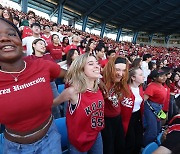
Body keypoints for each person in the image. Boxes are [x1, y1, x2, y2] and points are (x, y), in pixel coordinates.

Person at [0, 17, 66, 153]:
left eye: (11, 34)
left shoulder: (42, 65)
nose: (5, 38)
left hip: (51, 141)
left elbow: (71, 74)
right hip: (14, 148)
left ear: (20, 41)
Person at [53, 53, 104, 153]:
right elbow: (52, 104)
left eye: (97, 63)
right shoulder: (73, 92)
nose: (97, 66)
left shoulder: (97, 88)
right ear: (81, 69)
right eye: (90, 63)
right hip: (78, 139)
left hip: (96, 134)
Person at [101, 56, 129, 154]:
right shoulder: (101, 81)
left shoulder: (120, 81)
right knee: (108, 148)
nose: (120, 74)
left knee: (120, 145)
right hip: (105, 121)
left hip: (117, 118)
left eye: (124, 70)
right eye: (117, 70)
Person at [120, 67, 144, 154]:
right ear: (133, 78)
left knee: (138, 140)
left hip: (137, 117)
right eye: (141, 75)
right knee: (130, 142)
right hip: (127, 118)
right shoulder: (123, 89)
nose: (143, 77)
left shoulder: (140, 88)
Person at [143, 69, 168, 146]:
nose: (164, 77)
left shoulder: (161, 85)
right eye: (161, 76)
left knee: (157, 129)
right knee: (152, 130)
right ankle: (146, 147)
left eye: (164, 75)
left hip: (158, 108)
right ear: (154, 78)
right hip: (151, 108)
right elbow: (144, 99)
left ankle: (154, 145)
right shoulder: (152, 87)